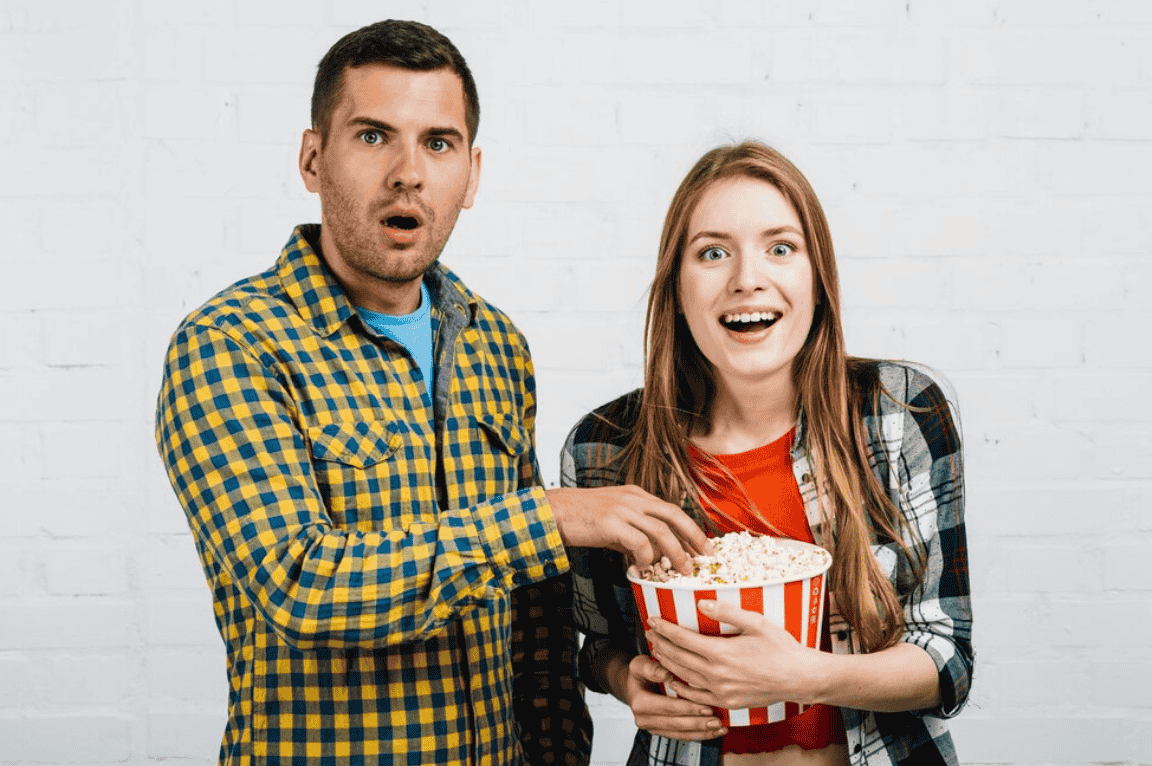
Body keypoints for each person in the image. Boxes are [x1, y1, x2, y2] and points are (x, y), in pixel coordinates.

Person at [154, 19, 710, 766]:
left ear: (471, 174)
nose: (408, 173)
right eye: (373, 136)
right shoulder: (231, 344)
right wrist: (547, 515)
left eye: (438, 143)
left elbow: (535, 623)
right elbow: (298, 584)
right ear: (313, 159)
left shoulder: (495, 345)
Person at [562, 141, 973, 766]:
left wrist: (804, 675)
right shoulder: (604, 447)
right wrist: (626, 680)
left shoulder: (899, 413)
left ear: (818, 278)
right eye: (713, 252)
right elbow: (595, 645)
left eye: (780, 248)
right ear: (675, 288)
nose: (747, 279)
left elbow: (948, 659)